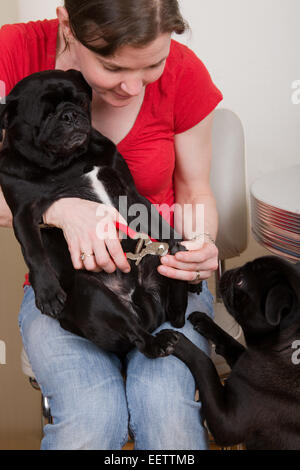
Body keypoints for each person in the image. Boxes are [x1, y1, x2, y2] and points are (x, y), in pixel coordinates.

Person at [0, 0, 222, 450]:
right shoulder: (12, 53)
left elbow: (196, 192)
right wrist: (56, 209)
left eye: (153, 64)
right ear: (67, 26)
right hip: (66, 288)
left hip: (158, 271)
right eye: (111, 65)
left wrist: (201, 244)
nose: (133, 86)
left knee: (168, 418)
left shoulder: (185, 73)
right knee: (90, 419)